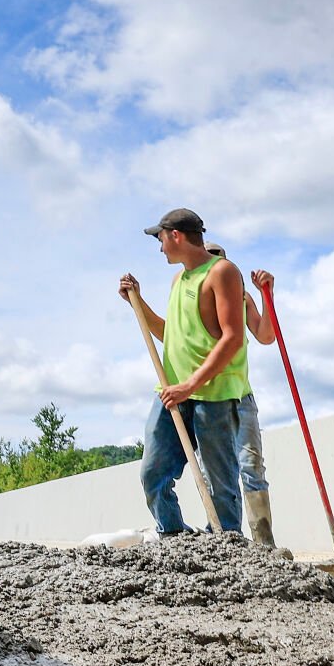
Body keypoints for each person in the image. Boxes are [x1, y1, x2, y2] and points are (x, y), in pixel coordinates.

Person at [118, 208, 249, 536]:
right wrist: (137, 302)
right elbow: (169, 334)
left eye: (160, 239)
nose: (160, 247)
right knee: (152, 473)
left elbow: (233, 337)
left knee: (221, 482)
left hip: (212, 397)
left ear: (175, 235)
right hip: (173, 393)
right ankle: (176, 540)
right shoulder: (179, 280)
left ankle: (226, 547)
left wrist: (191, 385)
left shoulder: (222, 272)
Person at [207, 246, 280, 548]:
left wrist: (267, 294)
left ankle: (264, 544)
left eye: (220, 258)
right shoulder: (193, 299)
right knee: (218, 474)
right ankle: (227, 542)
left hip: (241, 397)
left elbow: (265, 335)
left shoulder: (239, 297)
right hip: (208, 400)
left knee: (252, 468)